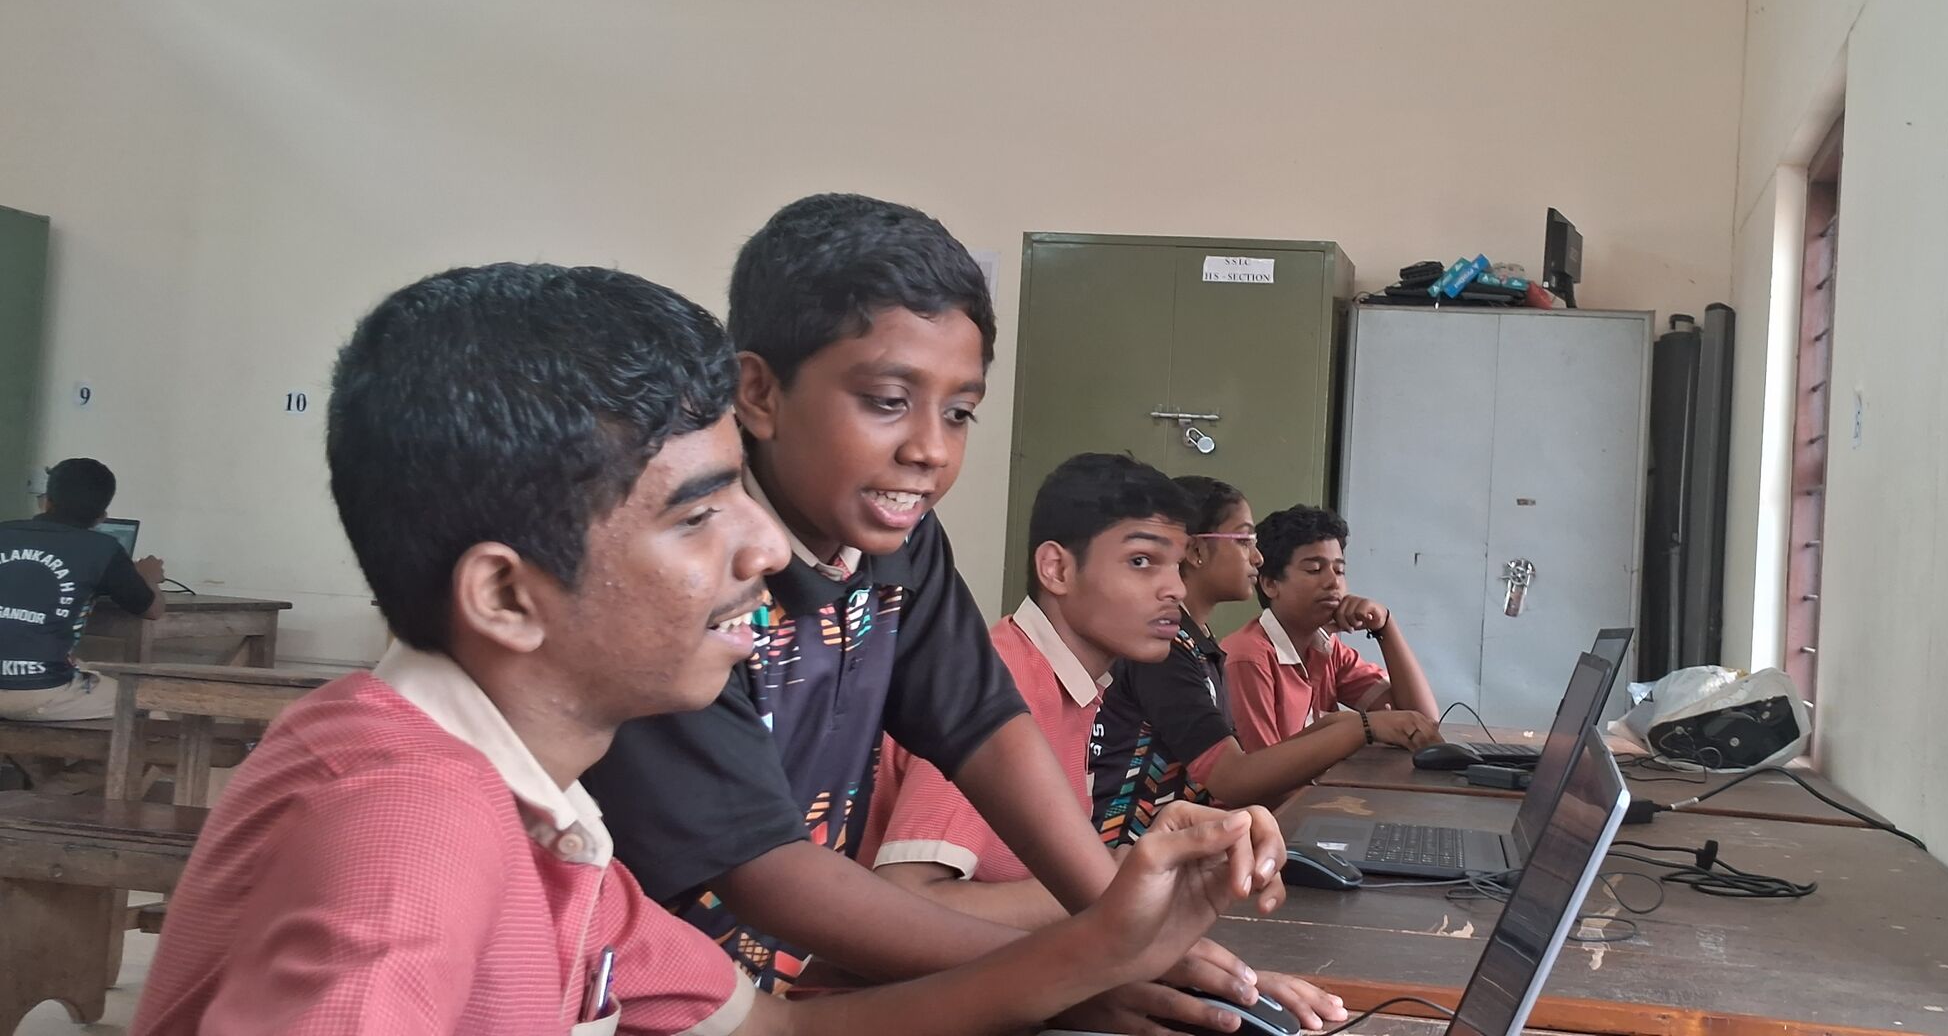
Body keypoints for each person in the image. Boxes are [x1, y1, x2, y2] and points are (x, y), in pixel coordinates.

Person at [134, 262, 1271, 1036]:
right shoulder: (406, 834)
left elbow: (772, 1027)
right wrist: (1095, 953)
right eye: (697, 515)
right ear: (507, 596)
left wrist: (1102, 950)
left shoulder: (551, 818)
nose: (765, 550)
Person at [581, 195, 1341, 1033]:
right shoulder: (684, 582)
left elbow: (982, 726)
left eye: (958, 412)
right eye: (885, 400)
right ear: (758, 393)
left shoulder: (898, 541)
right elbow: (764, 866)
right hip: (643, 1000)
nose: (930, 450)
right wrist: (1084, 966)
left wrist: (1136, 939)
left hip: (767, 1007)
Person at [862, 452, 1193, 928]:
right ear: (1056, 569)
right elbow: (906, 905)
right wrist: (1120, 886)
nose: (1176, 589)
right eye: (1141, 561)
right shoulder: (1006, 682)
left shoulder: (1075, 688)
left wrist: (1120, 874)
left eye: (1178, 566)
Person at [1090, 478, 1439, 846]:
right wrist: (1361, 728)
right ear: (1196, 551)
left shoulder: (1197, 643)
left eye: (1339, 569)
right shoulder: (1166, 651)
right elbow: (1235, 780)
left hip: (1183, 846)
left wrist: (1345, 722)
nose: (1257, 558)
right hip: (1132, 854)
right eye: (1244, 541)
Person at [1222, 506, 1441, 760]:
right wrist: (1354, 728)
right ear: (1270, 584)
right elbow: (1262, 772)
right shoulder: (1248, 658)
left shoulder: (1328, 649)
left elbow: (1421, 722)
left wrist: (1385, 626)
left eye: (1339, 570)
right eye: (1315, 569)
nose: (1333, 582)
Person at [0, 457, 165, 723]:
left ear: (46, 501)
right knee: (151, 702)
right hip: (40, 692)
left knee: (80, 667)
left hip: (33, 687)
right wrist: (149, 577)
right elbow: (152, 610)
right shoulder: (102, 549)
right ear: (102, 517)